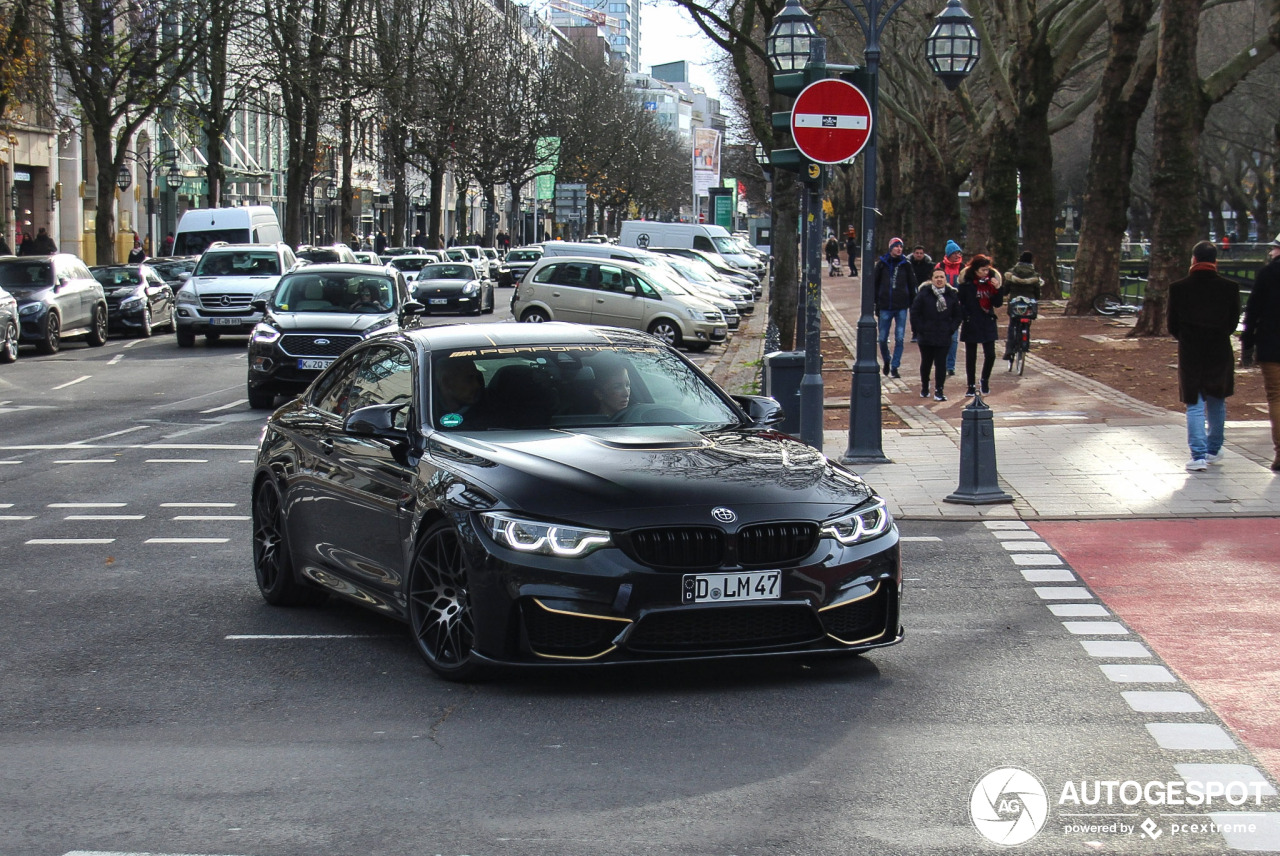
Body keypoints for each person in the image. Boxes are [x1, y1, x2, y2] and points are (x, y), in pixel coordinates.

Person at [1169, 240, 1241, 472]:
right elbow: (1233, 321)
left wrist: (1187, 337)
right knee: (1217, 399)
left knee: (1194, 403)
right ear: (1215, 261)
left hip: (1191, 350)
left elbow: (1172, 324)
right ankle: (1213, 449)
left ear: (1193, 259)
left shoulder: (1178, 288)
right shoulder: (1230, 288)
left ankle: (1197, 455)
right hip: (1219, 348)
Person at [1241, 232, 1280, 472]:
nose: (1271, 251)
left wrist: (1248, 343)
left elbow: (1252, 310)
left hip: (1271, 345)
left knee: (1276, 397)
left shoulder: (1267, 274)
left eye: (1275, 248)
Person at [910, 268, 963, 401]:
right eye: (936, 277)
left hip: (944, 335)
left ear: (946, 279)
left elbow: (957, 315)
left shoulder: (951, 295)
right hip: (926, 335)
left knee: (941, 364)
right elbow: (915, 313)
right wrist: (920, 329)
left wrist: (951, 328)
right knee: (926, 363)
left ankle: (939, 390)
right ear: (932, 280)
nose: (939, 280)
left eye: (941, 277)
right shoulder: (924, 294)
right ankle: (925, 386)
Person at [957, 253, 1004, 397]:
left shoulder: (991, 283)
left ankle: (984, 379)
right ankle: (971, 384)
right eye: (983, 270)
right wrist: (966, 316)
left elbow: (997, 303)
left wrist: (997, 290)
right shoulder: (967, 284)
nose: (986, 272)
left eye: (987, 269)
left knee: (990, 354)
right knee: (971, 356)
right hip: (972, 321)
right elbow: (961, 302)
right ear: (976, 270)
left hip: (987, 320)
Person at [872, 237, 913, 378]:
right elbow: (875, 284)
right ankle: (887, 360)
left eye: (901, 247)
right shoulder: (882, 264)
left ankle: (895, 366)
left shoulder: (906, 264)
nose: (899, 249)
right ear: (891, 248)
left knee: (900, 338)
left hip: (901, 306)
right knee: (882, 338)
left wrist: (912, 302)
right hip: (885, 306)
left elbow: (911, 283)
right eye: (896, 246)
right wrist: (875, 302)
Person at [1002, 251, 1042, 361]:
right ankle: (1025, 345)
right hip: (1029, 303)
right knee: (1026, 323)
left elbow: (1005, 290)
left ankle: (1009, 350)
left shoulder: (1012, 273)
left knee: (1013, 325)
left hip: (1015, 303)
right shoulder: (1034, 275)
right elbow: (1037, 292)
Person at [936, 240, 965, 375]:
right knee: (940, 336)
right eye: (955, 253)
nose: (957, 255)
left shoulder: (963, 268)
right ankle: (940, 361)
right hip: (941, 304)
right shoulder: (940, 266)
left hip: (956, 306)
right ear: (949, 254)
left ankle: (950, 366)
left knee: (953, 338)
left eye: (959, 252)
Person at [435, 357, 487, 424]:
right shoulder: (424, 411)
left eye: (477, 378)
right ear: (446, 382)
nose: (477, 385)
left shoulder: (491, 412)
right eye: (469, 379)